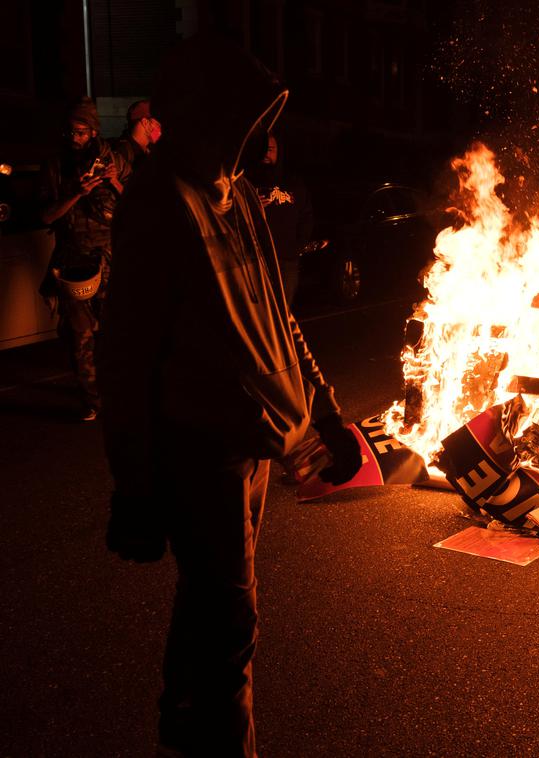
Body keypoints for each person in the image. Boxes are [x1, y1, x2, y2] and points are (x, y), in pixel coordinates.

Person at [98, 35, 363, 757]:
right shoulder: (160, 200)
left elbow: (278, 319)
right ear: (210, 113)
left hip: (251, 445)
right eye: (248, 118)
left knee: (211, 614)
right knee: (229, 620)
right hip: (198, 448)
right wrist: (134, 483)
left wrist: (325, 411)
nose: (261, 136)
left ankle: (185, 732)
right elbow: (123, 353)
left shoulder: (239, 194)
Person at [39, 96, 129, 420]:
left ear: (93, 132)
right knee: (81, 335)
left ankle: (118, 393)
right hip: (73, 259)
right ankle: (93, 400)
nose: (75, 138)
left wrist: (114, 180)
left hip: (109, 258)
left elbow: (138, 208)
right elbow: (47, 216)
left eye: (81, 131)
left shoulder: (114, 158)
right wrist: (76, 192)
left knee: (117, 333)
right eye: (71, 132)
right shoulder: (55, 166)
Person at [247, 133, 312, 306]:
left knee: (282, 310)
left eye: (270, 150)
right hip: (254, 260)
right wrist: (251, 206)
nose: (265, 155)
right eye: (261, 150)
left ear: (278, 152)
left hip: (285, 260)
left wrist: (297, 246)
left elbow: (306, 216)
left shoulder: (293, 183)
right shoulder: (246, 182)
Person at [112, 99, 162, 172]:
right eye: (158, 125)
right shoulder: (122, 154)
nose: (161, 131)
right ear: (145, 123)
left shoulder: (146, 151)